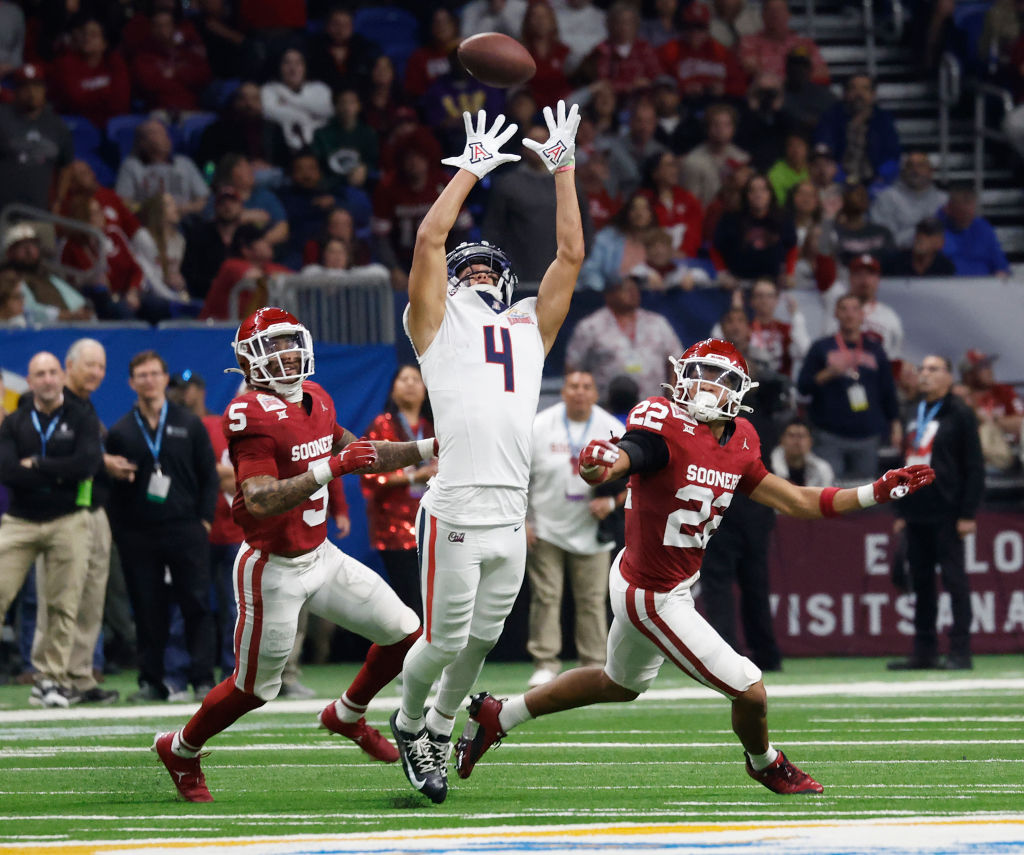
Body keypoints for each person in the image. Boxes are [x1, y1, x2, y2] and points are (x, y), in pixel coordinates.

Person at [454, 338, 934, 792]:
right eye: (697, 374)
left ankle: (501, 715)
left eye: (716, 377)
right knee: (749, 690)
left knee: (617, 684)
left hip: (659, 579)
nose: (703, 385)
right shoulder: (663, 420)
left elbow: (797, 501)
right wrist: (603, 466)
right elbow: (632, 454)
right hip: (652, 592)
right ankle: (766, 763)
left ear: (738, 393)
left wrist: (876, 491)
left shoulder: (743, 439)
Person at [152, 306, 435, 802]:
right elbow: (259, 498)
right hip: (271, 567)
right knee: (254, 689)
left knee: (406, 632)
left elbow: (363, 452)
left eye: (289, 342)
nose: (285, 353)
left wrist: (433, 447)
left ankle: (347, 713)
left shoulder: (317, 398)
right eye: (272, 345)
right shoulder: (249, 413)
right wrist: (330, 468)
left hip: (320, 556)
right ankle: (181, 748)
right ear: (248, 360)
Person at [390, 101, 585, 805]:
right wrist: (470, 171)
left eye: (483, 267)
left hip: (511, 511)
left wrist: (563, 170)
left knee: (480, 642)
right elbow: (426, 243)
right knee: (443, 641)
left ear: (502, 280)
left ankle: (440, 727)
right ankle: (410, 722)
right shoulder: (435, 322)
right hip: (458, 505)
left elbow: (570, 256)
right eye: (464, 267)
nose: (474, 274)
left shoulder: (528, 324)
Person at [105, 351, 218, 702]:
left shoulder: (189, 423)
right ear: (131, 382)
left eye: (154, 374)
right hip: (139, 533)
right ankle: (151, 681)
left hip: (186, 527)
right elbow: (113, 488)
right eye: (141, 375)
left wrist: (204, 520)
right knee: (147, 606)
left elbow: (209, 476)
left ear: (165, 378)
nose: (149, 380)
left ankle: (202, 678)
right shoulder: (121, 430)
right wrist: (122, 532)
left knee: (196, 603)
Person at [0, 351, 101, 708]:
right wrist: (60, 470)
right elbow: (7, 471)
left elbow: (87, 464)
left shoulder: (82, 415)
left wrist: (39, 464)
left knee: (64, 604)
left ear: (62, 376)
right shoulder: (14, 422)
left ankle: (51, 680)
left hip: (67, 520)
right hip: (20, 521)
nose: (45, 379)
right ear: (29, 382)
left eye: (51, 372)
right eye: (38, 374)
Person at [525, 370, 625, 688]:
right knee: (546, 596)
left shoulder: (612, 427)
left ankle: (594, 663)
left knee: (593, 600)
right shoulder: (540, 425)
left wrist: (611, 504)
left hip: (592, 528)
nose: (580, 392)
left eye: (587, 386)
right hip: (547, 525)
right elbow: (520, 476)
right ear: (563, 392)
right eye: (573, 386)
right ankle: (545, 661)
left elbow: (637, 477)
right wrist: (524, 520)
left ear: (596, 394)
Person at [889, 355, 983, 671]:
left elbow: (974, 466)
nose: (924, 374)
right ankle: (924, 651)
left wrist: (967, 513)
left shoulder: (961, 413)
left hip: (948, 511)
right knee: (922, 582)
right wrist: (900, 509)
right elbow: (905, 462)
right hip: (916, 511)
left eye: (933, 369)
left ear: (948, 377)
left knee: (955, 581)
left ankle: (960, 651)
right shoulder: (912, 410)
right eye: (922, 368)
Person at [58, 339, 120, 704]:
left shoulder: (85, 405)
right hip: (66, 513)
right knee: (63, 598)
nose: (96, 372)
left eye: (101, 366)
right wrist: (104, 463)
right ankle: (54, 677)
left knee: (91, 600)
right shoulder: (57, 404)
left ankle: (80, 676)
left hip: (95, 511)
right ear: (70, 365)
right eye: (89, 365)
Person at [797, 294, 901, 480]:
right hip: (829, 435)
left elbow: (887, 389)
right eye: (844, 309)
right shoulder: (821, 347)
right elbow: (803, 387)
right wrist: (826, 374)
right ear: (836, 313)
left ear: (862, 315)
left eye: (854, 309)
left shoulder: (875, 349)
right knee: (828, 494)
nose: (849, 314)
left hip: (867, 436)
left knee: (865, 497)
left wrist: (895, 423)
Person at [360, 364, 436, 617]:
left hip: (435, 522)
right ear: (392, 390)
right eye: (404, 379)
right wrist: (414, 475)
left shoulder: (435, 429)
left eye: (416, 379)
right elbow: (370, 473)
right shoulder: (382, 426)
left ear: (426, 391)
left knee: (434, 594)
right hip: (394, 525)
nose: (411, 384)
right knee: (409, 596)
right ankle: (410, 650)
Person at [565, 275, 683, 400]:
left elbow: (676, 362)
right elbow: (573, 367)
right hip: (606, 408)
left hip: (652, 408)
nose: (632, 292)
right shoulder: (590, 327)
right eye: (625, 289)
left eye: (635, 288)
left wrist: (672, 399)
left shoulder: (658, 323)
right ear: (609, 294)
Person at [0, 64, 74, 213]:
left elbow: (66, 165)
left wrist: (59, 199)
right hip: (4, 213)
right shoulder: (2, 118)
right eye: (25, 86)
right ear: (15, 90)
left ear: (44, 90)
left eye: (36, 86)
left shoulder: (56, 125)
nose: (31, 92)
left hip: (41, 212)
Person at [814, 73, 901, 187]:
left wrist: (881, 178)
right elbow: (823, 146)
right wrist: (835, 174)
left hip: (874, 180)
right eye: (853, 88)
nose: (859, 94)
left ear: (873, 95)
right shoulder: (831, 117)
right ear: (845, 94)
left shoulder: (883, 120)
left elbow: (892, 154)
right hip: (838, 179)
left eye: (865, 89)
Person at [114, 120, 210, 217]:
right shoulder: (131, 166)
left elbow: (203, 199)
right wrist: (154, 211)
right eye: (154, 133)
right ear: (141, 142)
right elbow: (124, 203)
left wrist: (180, 209)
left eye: (163, 133)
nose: (163, 137)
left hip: (185, 220)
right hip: (148, 221)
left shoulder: (184, 163)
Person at [870, 152, 948, 249]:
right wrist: (918, 238)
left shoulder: (944, 200)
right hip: (898, 256)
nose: (915, 170)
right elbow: (884, 238)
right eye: (910, 166)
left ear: (931, 171)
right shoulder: (886, 198)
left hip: (938, 256)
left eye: (921, 166)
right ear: (903, 171)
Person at [936, 184, 1011, 278]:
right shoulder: (935, 228)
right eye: (962, 213)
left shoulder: (983, 228)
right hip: (947, 285)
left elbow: (1000, 264)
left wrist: (1002, 273)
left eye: (970, 214)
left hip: (983, 287)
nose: (967, 218)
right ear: (949, 208)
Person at [881, 217, 956, 277]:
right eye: (919, 233)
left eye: (928, 235)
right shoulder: (894, 263)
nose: (921, 237)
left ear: (940, 243)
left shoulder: (945, 268)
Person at [770, 418, 835, 486]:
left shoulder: (822, 470)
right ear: (782, 440)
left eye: (802, 436)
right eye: (791, 435)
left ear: (810, 442)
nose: (796, 441)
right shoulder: (768, 467)